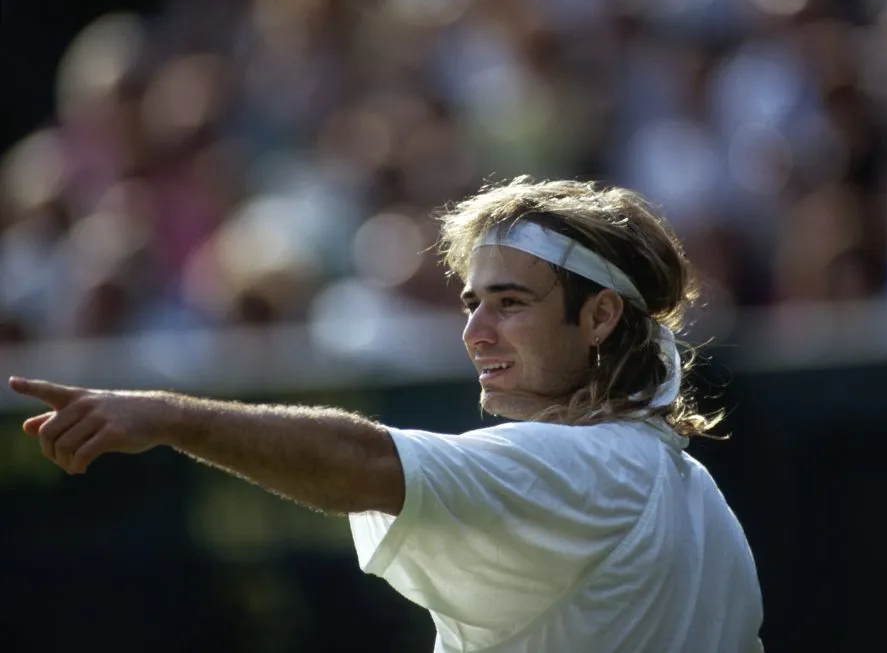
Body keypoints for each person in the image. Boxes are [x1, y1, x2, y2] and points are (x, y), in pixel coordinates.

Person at [12, 176, 764, 652]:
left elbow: (370, 461)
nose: (475, 333)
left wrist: (170, 417)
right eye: (473, 303)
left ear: (600, 317)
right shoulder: (696, 495)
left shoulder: (594, 473)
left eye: (510, 303)